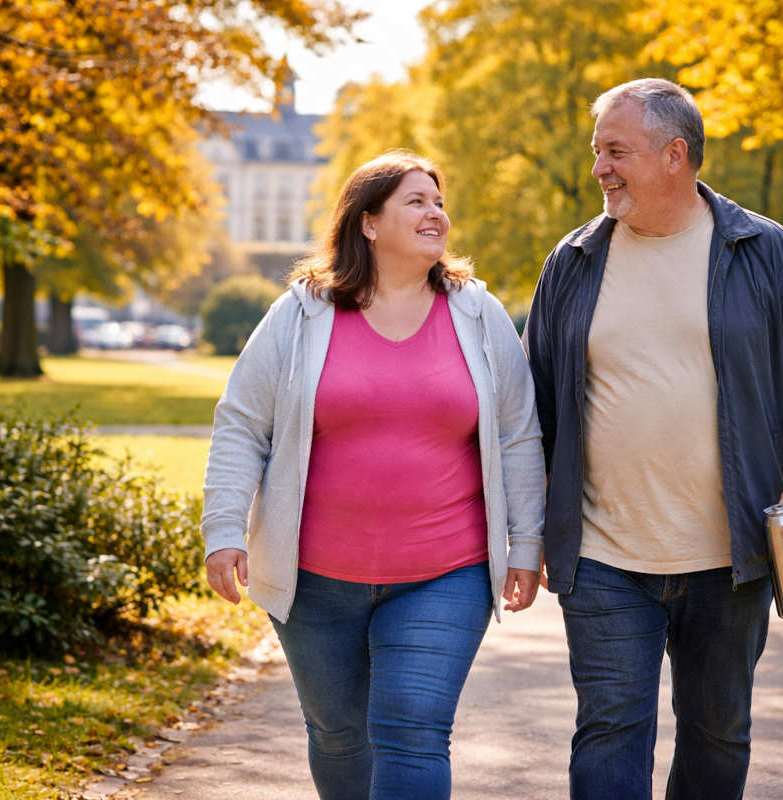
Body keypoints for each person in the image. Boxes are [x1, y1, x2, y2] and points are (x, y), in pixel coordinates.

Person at [524, 78, 783, 800]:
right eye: (596, 152)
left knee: (717, 733)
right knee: (611, 728)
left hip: (729, 553)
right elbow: (535, 407)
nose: (598, 170)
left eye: (614, 151)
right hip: (604, 554)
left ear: (674, 154)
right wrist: (533, 529)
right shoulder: (575, 259)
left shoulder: (765, 251)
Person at [200, 150, 546, 800]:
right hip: (316, 582)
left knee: (413, 728)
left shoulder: (476, 312)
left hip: (446, 572)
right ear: (367, 220)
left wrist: (526, 544)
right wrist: (224, 529)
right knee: (337, 733)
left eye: (438, 201)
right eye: (416, 200)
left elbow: (518, 432)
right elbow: (242, 421)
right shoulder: (303, 313)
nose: (435, 213)